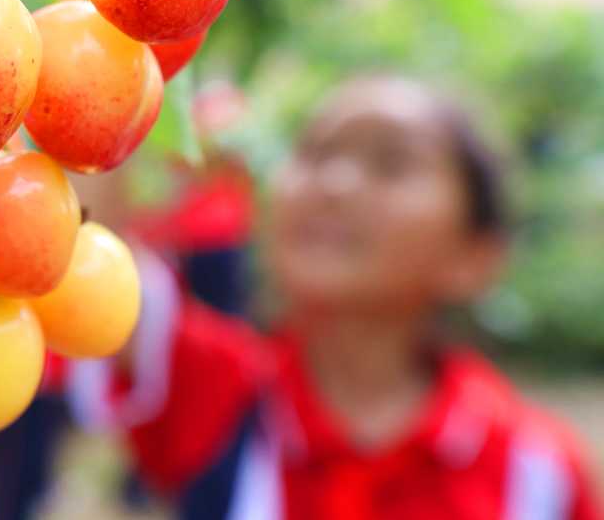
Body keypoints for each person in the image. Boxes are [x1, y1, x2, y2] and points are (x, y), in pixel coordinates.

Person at [69, 74, 602, 520]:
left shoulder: (537, 472)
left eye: (391, 163)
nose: (335, 182)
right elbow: (94, 253)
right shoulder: (218, 392)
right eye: (313, 153)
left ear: (475, 255)